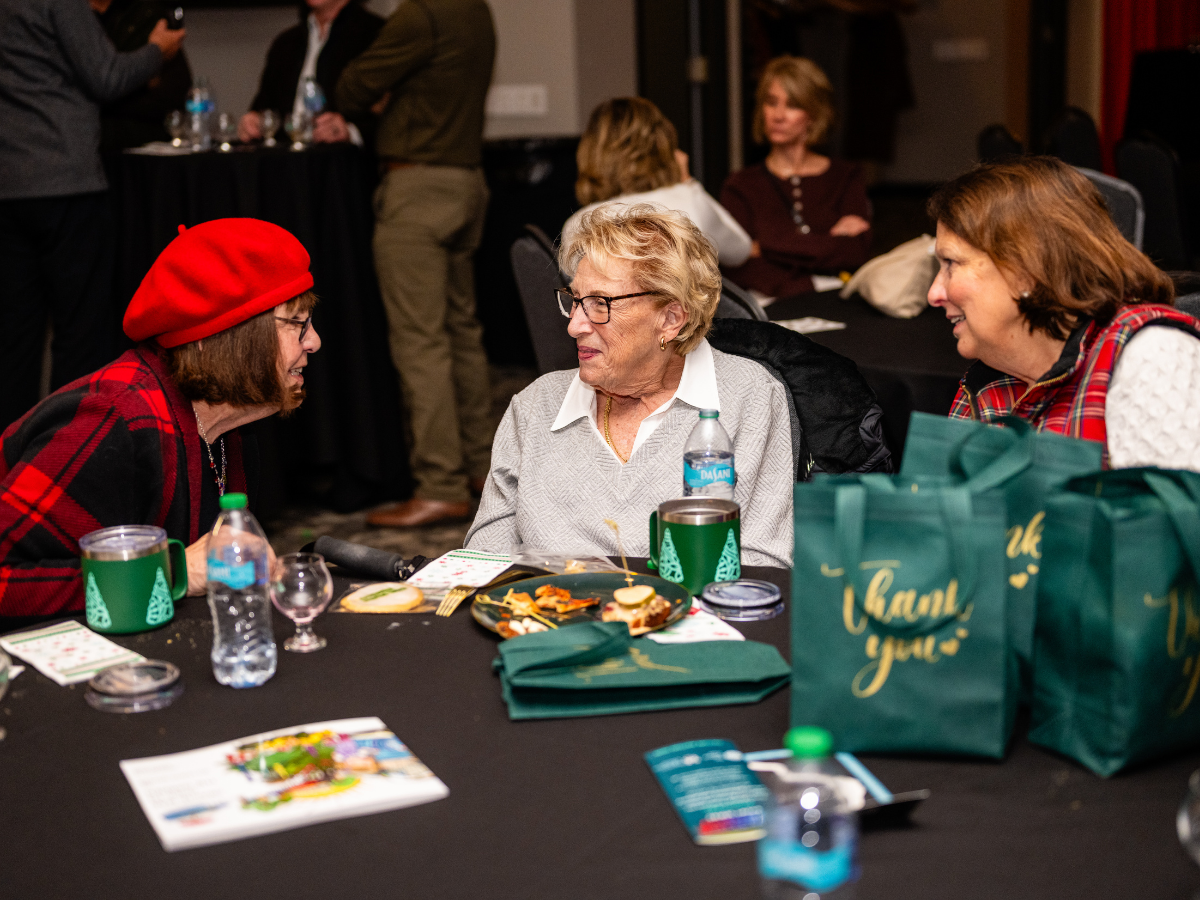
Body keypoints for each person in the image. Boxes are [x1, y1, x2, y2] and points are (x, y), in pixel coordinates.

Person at [0, 219, 322, 619]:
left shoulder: (225, 425)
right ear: (220, 337)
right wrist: (172, 571)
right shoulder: (113, 417)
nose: (314, 341)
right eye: (297, 322)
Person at [465, 206, 794, 566]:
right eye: (575, 300)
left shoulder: (749, 397)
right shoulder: (535, 406)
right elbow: (482, 560)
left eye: (599, 304)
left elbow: (763, 565)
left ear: (670, 318)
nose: (575, 326)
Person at [928, 156, 1200, 469]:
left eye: (951, 263)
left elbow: (1175, 515)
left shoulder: (1152, 359)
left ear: (1027, 270)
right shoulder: (991, 380)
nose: (934, 294)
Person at [336, 0, 496, 527]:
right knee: (461, 334)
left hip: (418, 187)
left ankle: (439, 484)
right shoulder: (475, 10)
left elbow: (351, 86)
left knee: (420, 342)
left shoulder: (420, 13)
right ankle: (481, 469)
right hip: (467, 181)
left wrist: (386, 95)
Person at [0, 0, 185, 434]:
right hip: (66, 181)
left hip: (9, 185)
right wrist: (157, 49)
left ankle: (12, 471)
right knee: (81, 334)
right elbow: (107, 76)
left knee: (14, 340)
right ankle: (70, 459)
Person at [720, 55, 873, 299]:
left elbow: (854, 252)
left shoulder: (846, 176)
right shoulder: (741, 185)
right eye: (771, 102)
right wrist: (821, 250)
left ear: (812, 114)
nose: (778, 115)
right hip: (771, 306)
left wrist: (765, 245)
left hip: (841, 303)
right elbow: (737, 265)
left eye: (792, 105)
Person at [562, 97, 752, 267]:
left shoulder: (576, 225)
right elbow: (740, 250)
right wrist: (688, 183)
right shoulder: (688, 203)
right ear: (663, 145)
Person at [238, 0, 383, 146]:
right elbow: (263, 107)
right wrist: (254, 122)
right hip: (287, 160)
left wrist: (350, 132)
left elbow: (392, 116)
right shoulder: (286, 43)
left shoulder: (376, 34)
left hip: (345, 162)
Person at [93, 0, 193, 151]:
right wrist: (144, 82)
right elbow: (84, 91)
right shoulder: (69, 15)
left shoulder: (146, 13)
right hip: (87, 149)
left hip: (149, 151)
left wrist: (110, 96)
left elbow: (177, 94)